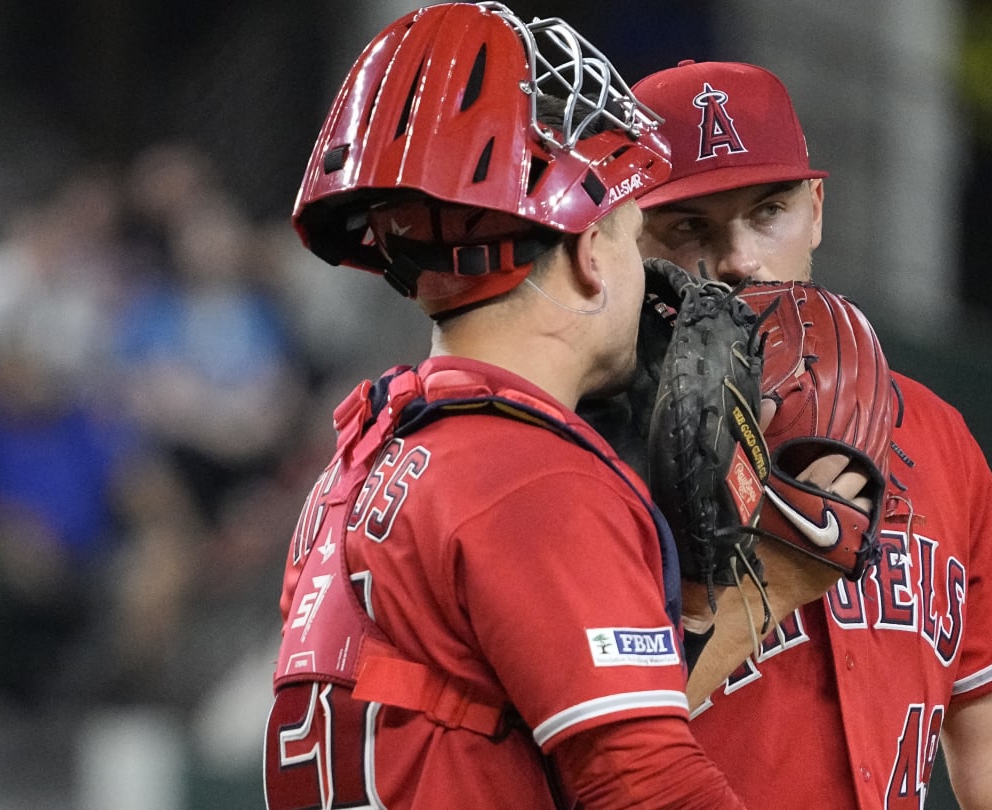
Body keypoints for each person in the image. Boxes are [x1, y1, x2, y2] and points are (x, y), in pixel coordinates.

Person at [264, 5, 751, 808]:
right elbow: (650, 789)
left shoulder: (364, 461)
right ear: (591, 252)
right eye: (632, 235)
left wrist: (695, 609)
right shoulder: (528, 479)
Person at [632, 59, 992, 808]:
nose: (739, 259)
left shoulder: (934, 435)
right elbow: (571, 734)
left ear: (816, 208)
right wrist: (773, 584)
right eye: (690, 225)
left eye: (769, 210)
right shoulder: (590, 445)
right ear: (624, 240)